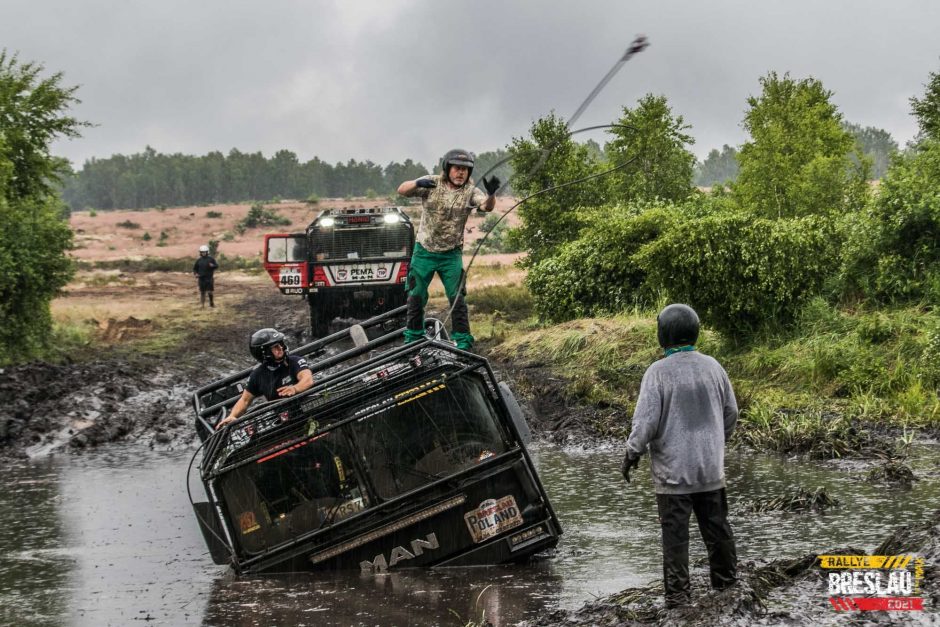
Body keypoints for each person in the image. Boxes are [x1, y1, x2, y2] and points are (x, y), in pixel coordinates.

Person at [621, 303, 738, 608]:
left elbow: (645, 422)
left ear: (663, 334)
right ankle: (727, 588)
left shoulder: (657, 373)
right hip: (711, 471)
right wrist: (715, 443)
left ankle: (678, 598)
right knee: (718, 531)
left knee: (675, 539)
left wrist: (632, 453)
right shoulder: (714, 366)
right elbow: (731, 412)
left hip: (673, 476)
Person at [397, 149, 499, 351]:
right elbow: (401, 190)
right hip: (424, 250)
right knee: (415, 295)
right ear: (447, 168)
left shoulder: (470, 191)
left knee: (457, 297)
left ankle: (462, 341)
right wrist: (418, 183)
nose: (461, 173)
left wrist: (492, 194)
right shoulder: (432, 182)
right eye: (457, 169)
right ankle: (414, 339)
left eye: (465, 170)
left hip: (451, 254)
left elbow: (487, 207)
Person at [216, 328, 314, 429]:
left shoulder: (295, 361)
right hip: (285, 421)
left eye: (280, 344)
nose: (280, 348)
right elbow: (244, 400)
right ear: (264, 353)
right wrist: (232, 416)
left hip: (309, 409)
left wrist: (295, 388)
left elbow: (307, 379)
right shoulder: (257, 375)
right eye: (275, 347)